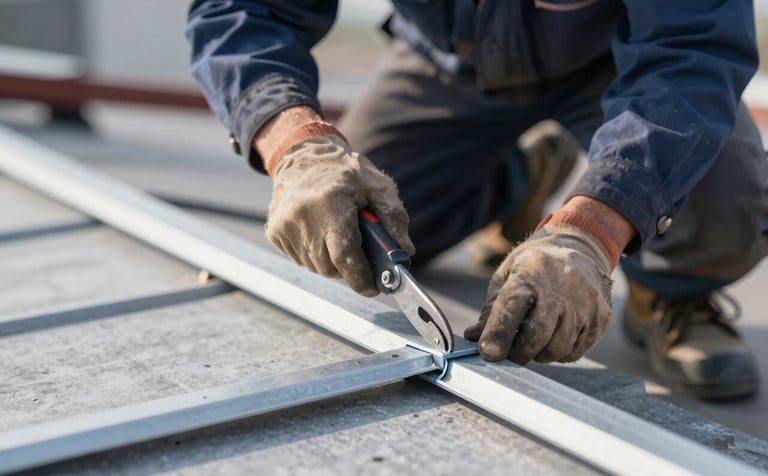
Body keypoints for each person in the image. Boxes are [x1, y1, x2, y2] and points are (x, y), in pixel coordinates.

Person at [186, 1, 768, 399]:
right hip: (449, 66)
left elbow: (691, 51)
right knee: (360, 231)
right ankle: (520, 180)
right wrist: (294, 144)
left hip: (621, 70)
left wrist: (593, 230)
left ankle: (672, 293)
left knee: (727, 209)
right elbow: (244, 10)